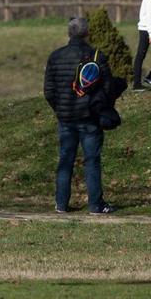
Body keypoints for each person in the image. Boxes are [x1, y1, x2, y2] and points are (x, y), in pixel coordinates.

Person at [44, 16, 115, 214]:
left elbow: (49, 91)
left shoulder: (55, 56)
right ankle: (95, 204)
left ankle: (61, 203)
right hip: (90, 118)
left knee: (65, 159)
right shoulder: (96, 56)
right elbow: (108, 87)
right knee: (92, 160)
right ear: (86, 33)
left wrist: (59, 109)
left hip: (65, 119)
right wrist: (101, 106)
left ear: (69, 33)